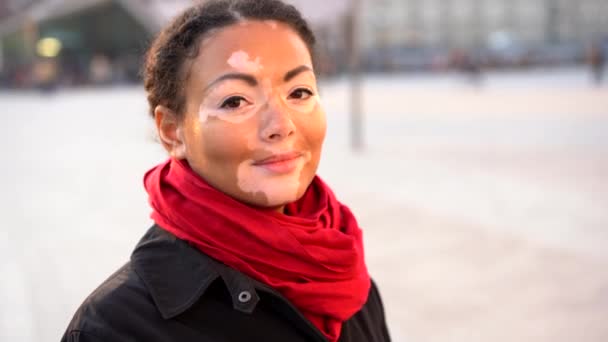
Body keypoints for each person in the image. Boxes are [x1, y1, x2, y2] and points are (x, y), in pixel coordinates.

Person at [61, 0, 391, 341]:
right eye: (235, 101)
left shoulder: (348, 283)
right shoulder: (118, 327)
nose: (281, 125)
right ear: (172, 131)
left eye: (299, 92)